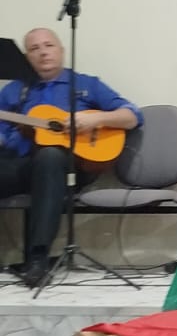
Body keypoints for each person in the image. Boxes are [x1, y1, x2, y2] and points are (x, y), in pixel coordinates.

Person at [0, 27, 142, 286]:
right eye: (34, 49)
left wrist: (96, 119)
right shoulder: (15, 90)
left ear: (61, 50)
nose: (43, 53)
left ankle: (38, 259)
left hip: (71, 167)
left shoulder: (86, 85)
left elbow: (132, 115)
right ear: (27, 57)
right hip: (20, 165)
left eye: (48, 45)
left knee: (50, 156)